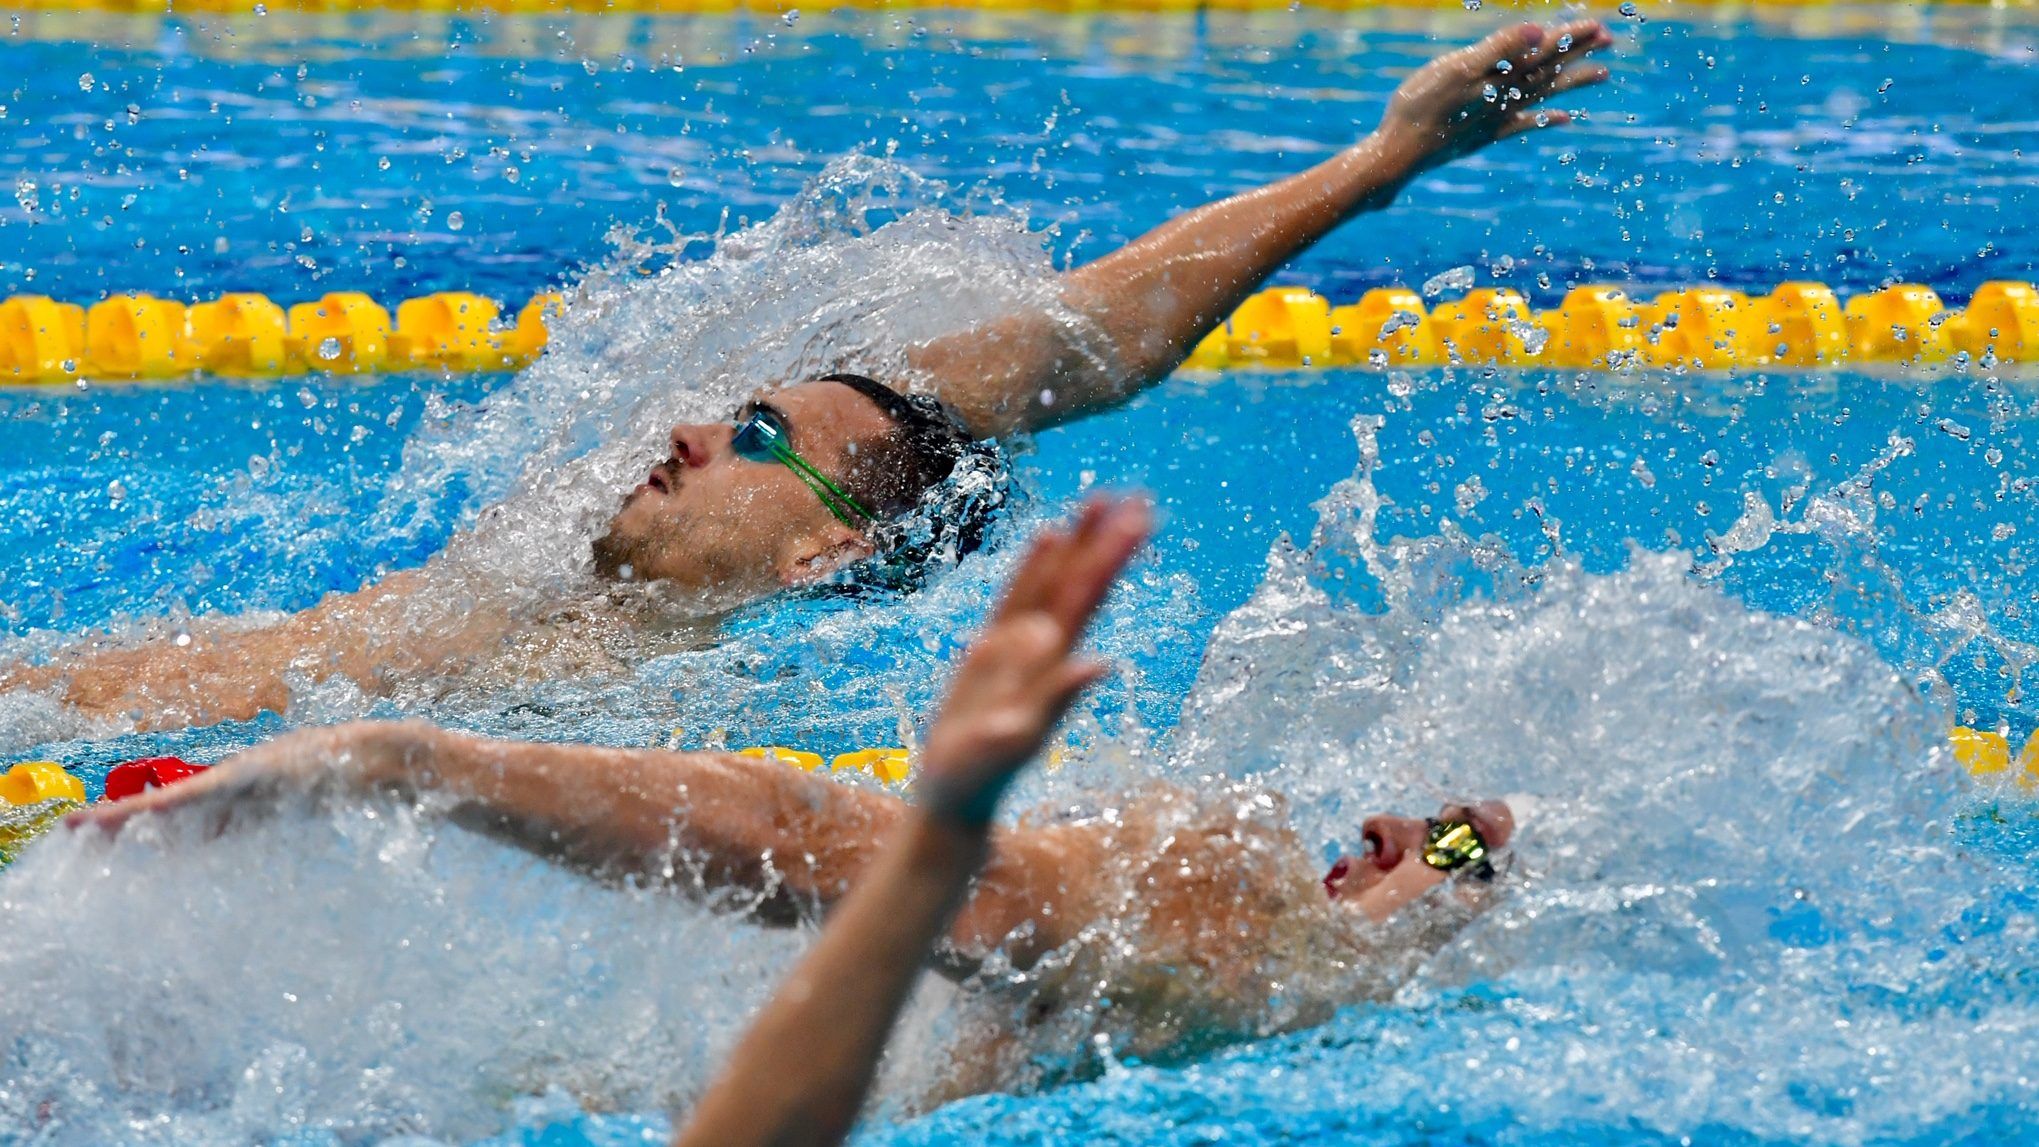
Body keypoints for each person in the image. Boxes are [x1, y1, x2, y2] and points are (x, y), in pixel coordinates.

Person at [5, 20, 1614, 734]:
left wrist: (1388, 164)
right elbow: (1079, 342)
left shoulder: (654, 708)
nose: (697, 426)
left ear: (826, 548)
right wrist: (1382, 161)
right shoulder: (535, 570)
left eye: (760, 434)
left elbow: (1091, 358)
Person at [75, 497, 1519, 1129]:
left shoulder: (1213, 902)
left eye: (1459, 856)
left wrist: (405, 761)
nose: (1422, 825)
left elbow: (864, 862)